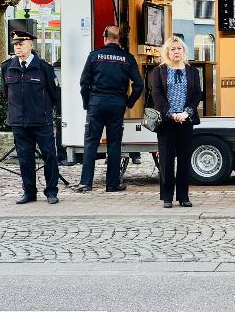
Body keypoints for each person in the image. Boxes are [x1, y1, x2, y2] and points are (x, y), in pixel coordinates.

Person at [75, 25, 143, 193]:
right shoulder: (127, 58)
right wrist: (129, 102)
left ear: (105, 37)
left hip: (96, 104)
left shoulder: (94, 56)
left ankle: (85, 183)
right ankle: (112, 184)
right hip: (117, 105)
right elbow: (139, 85)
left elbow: (84, 83)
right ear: (119, 39)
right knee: (114, 145)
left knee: (91, 143)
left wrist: (87, 103)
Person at [1, 30, 60, 204]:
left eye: (21, 44)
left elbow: (54, 93)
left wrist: (45, 112)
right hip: (19, 121)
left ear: (30, 44)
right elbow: (6, 94)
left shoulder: (44, 67)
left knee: (49, 156)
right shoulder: (7, 67)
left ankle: (51, 191)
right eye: (15, 44)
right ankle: (29, 192)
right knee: (25, 159)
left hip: (41, 121)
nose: (18, 47)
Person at [150, 36, 201, 208]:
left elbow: (197, 94)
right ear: (167, 52)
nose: (176, 51)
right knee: (166, 160)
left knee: (185, 160)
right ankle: (167, 197)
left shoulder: (192, 71)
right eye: (172, 49)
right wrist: (171, 113)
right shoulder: (159, 71)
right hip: (166, 121)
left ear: (184, 51)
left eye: (179, 48)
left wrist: (186, 113)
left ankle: (183, 196)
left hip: (186, 120)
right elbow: (157, 95)